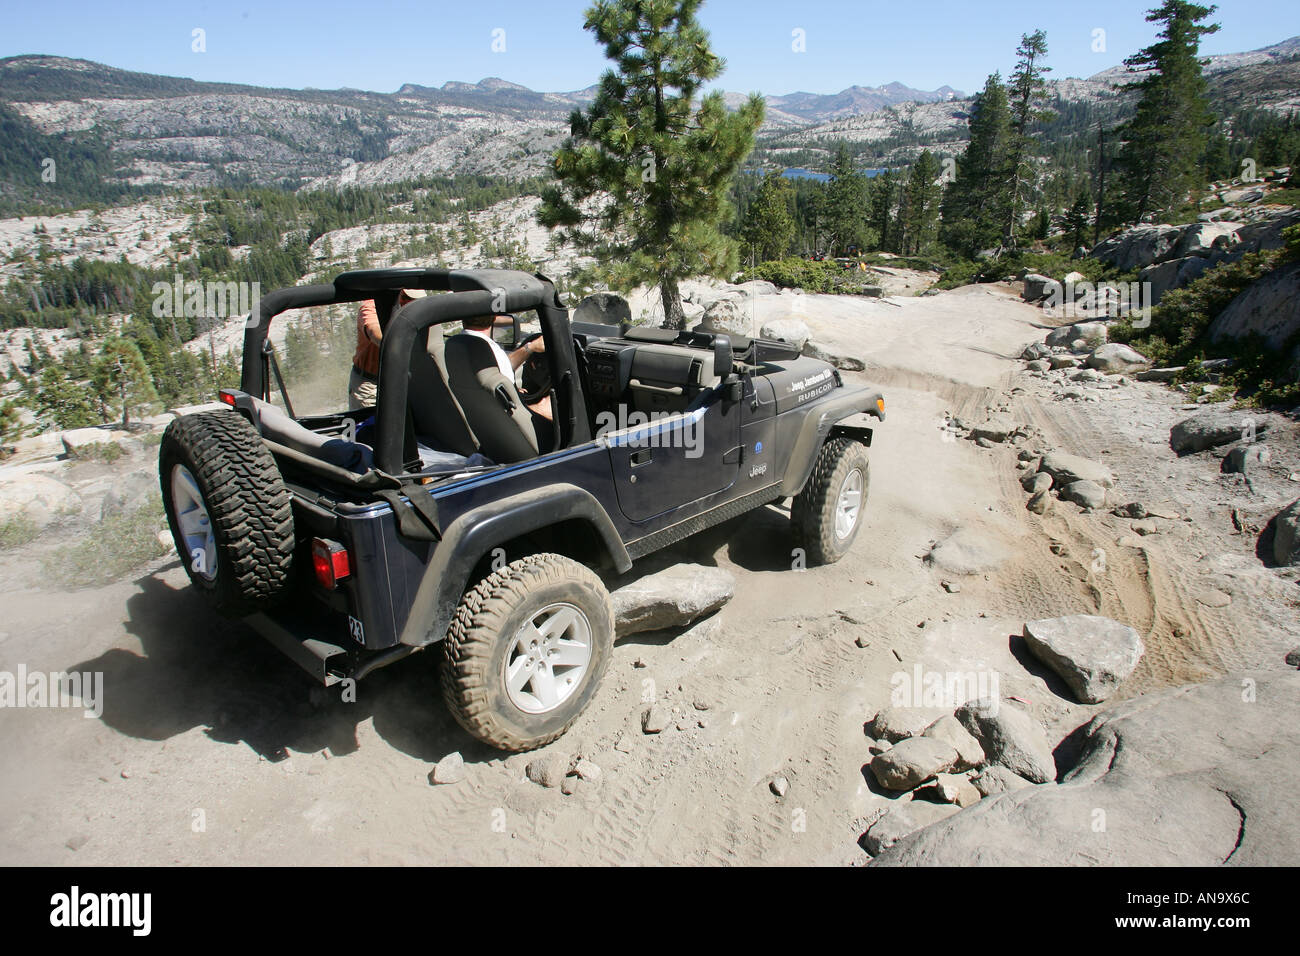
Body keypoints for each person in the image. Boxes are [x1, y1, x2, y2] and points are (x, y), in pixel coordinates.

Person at [457, 313, 552, 420]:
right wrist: (540, 409)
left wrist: (530, 347)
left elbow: (503, 366)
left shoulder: (458, 345)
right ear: (494, 316)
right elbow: (506, 417)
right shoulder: (486, 350)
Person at [348, 288, 425, 410]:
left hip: (400, 380)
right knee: (370, 425)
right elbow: (374, 332)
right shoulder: (371, 306)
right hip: (370, 383)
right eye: (408, 298)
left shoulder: (416, 307)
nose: (411, 303)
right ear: (399, 293)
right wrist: (398, 346)